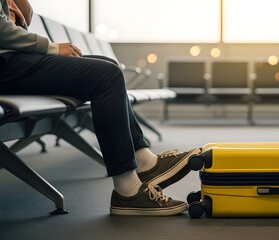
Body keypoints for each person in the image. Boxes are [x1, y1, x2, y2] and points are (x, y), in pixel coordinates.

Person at [0, 0, 200, 216]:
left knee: (109, 66)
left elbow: (24, 20)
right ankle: (127, 190)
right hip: (5, 64)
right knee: (106, 76)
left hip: (13, 59)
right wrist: (53, 47)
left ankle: (144, 161)